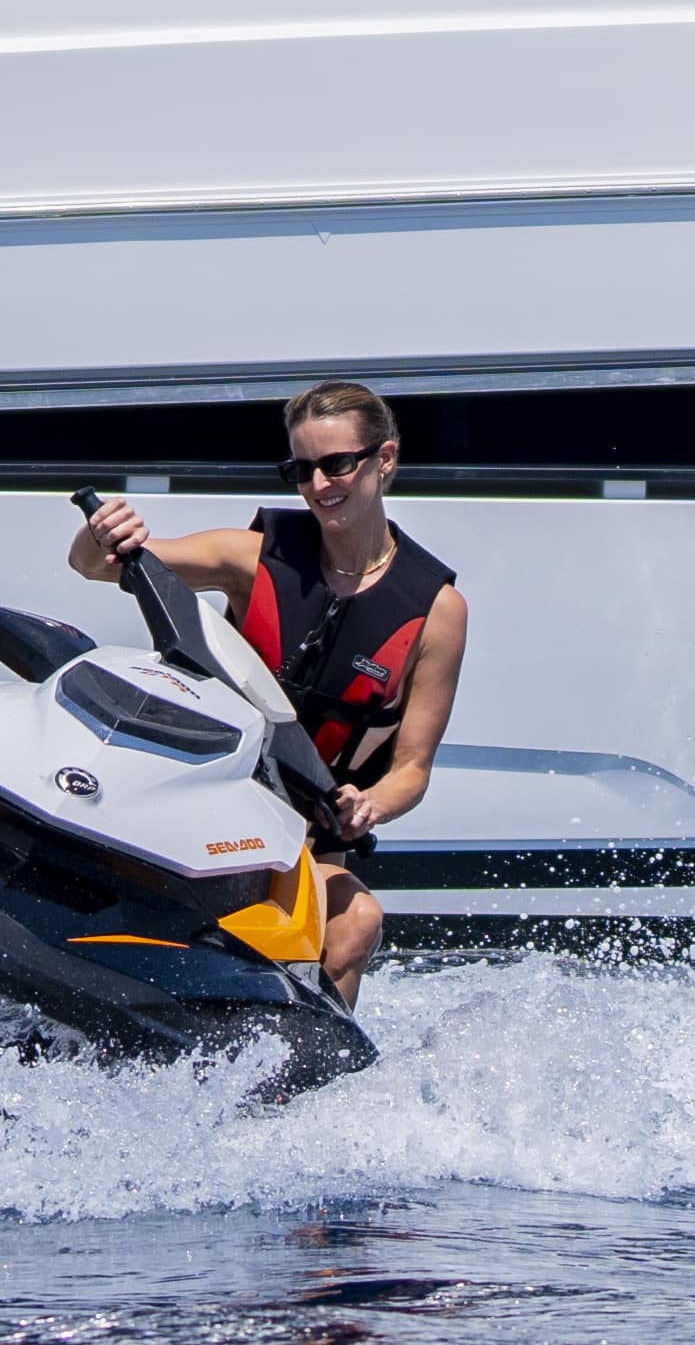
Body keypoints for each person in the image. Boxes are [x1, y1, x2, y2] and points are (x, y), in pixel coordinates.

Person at [69, 379, 462, 1007]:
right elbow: (99, 566)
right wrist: (99, 534)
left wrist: (369, 805)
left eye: (336, 464)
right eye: (301, 470)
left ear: (384, 459)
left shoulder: (437, 610)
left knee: (358, 920)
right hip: (199, 809)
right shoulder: (250, 557)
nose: (318, 485)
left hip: (298, 848)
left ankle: (314, 1061)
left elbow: (412, 768)